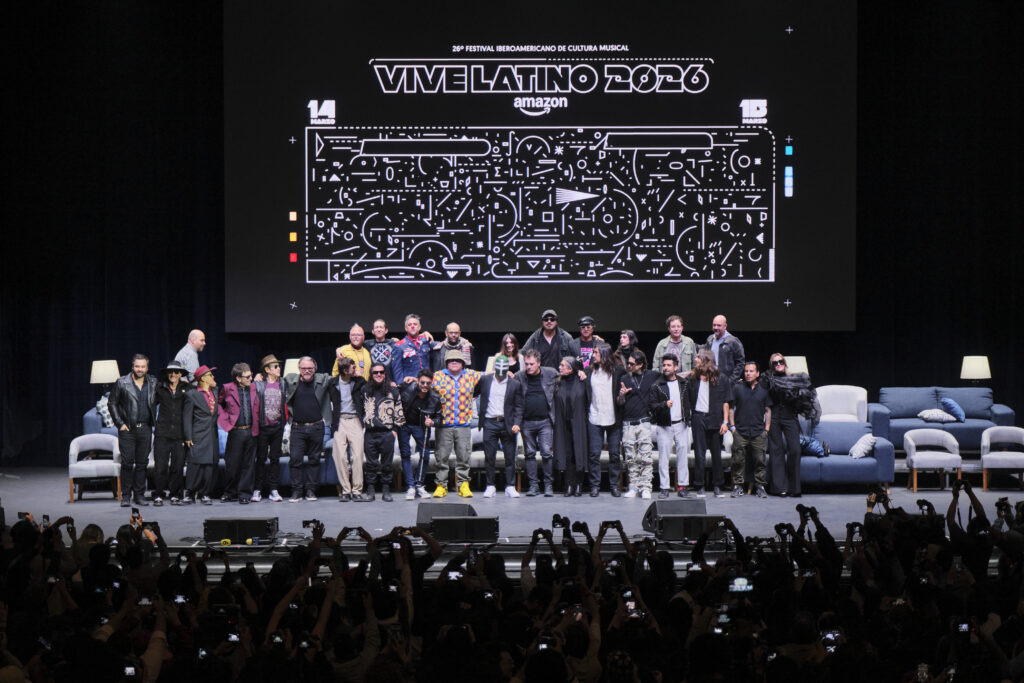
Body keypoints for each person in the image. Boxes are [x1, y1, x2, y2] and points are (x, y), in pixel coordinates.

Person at [763, 353, 818, 497]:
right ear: (772, 366)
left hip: (789, 416)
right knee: (776, 451)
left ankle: (794, 488)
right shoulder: (769, 379)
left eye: (780, 361)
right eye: (775, 363)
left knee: (795, 450)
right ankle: (780, 488)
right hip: (774, 416)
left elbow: (806, 396)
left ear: (784, 363)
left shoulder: (795, 379)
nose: (778, 364)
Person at [431, 350, 482, 497]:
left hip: (463, 424)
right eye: (451, 360)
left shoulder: (471, 375)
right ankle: (441, 486)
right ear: (446, 362)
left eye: (458, 360)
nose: (454, 362)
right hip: (444, 425)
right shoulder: (438, 376)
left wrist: (508, 373)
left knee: (464, 457)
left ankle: (463, 485)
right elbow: (423, 383)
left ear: (462, 363)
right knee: (441, 457)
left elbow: (488, 373)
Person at [281, 356, 333, 502]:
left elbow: (337, 376)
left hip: (317, 427)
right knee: (295, 460)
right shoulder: (291, 381)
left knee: (314, 460)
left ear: (315, 369)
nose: (307, 371)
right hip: (297, 428)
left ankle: (310, 491)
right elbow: (275, 380)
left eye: (310, 368)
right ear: (299, 369)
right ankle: (297, 492)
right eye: (304, 368)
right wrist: (261, 376)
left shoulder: (322, 380)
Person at [108, 354, 157, 507]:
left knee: (142, 464)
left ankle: (140, 495)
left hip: (145, 429)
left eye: (143, 366)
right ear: (132, 367)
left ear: (147, 368)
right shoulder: (122, 382)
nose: (140, 369)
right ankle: (126, 496)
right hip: (128, 430)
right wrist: (120, 424)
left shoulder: (153, 382)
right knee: (127, 464)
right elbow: (112, 403)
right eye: (137, 366)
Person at [510, 349, 559, 496]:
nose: (529, 367)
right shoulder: (519, 376)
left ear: (539, 363)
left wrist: (580, 373)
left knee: (546, 453)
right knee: (530, 454)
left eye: (532, 364)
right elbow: (515, 399)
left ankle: (548, 485)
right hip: (526, 422)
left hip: (545, 421)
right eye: (526, 364)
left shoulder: (550, 373)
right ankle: (533, 486)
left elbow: (565, 376)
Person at [686, 349, 733, 498]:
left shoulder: (721, 378)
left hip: (715, 419)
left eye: (698, 357)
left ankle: (718, 485)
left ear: (706, 359)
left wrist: (725, 422)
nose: (696, 360)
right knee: (699, 454)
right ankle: (699, 485)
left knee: (716, 454)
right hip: (698, 418)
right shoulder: (693, 378)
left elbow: (726, 402)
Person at [359, 363, 405, 502]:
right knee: (371, 464)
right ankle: (371, 490)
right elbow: (360, 409)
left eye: (381, 372)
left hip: (387, 433)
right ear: (371, 375)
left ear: (385, 374)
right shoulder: (365, 390)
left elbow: (399, 411)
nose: (378, 374)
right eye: (375, 372)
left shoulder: (393, 391)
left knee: (387, 464)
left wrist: (395, 431)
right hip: (370, 432)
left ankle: (386, 490)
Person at [617, 349, 659, 499]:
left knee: (646, 457)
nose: (628, 366)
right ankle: (634, 486)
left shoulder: (651, 376)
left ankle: (646, 487)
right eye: (627, 363)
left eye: (631, 364)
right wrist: (622, 395)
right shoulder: (624, 378)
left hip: (644, 422)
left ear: (640, 364)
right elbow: (619, 402)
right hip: (628, 423)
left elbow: (671, 376)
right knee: (631, 458)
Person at [648, 353, 691, 499]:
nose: (665, 368)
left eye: (668, 365)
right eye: (664, 365)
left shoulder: (684, 383)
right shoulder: (657, 385)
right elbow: (652, 406)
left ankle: (682, 486)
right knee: (664, 457)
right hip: (664, 425)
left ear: (676, 367)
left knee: (683, 457)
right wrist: (664, 405)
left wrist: (688, 417)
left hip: (681, 424)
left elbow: (690, 401)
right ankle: (664, 488)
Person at [584, 344, 625, 497]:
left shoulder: (618, 371)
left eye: (595, 352)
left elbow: (622, 396)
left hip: (613, 418)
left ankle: (614, 485)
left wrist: (622, 395)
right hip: (594, 417)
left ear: (604, 354)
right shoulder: (589, 371)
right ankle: (595, 485)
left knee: (614, 454)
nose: (593, 355)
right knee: (594, 454)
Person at [218, 362, 261, 505]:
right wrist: (225, 420)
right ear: (238, 378)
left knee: (248, 464)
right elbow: (218, 404)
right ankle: (230, 492)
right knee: (232, 464)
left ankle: (244, 494)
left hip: (251, 430)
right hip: (236, 431)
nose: (251, 378)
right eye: (247, 376)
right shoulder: (227, 388)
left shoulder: (254, 388)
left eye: (251, 375)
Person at [477, 355, 520, 498]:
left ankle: (510, 485)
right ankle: (490, 485)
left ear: (508, 368)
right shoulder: (485, 380)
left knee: (510, 456)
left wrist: (517, 423)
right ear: (494, 367)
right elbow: (475, 394)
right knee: (489, 456)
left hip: (507, 423)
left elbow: (519, 406)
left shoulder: (514, 384)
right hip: (489, 422)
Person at [729, 361, 771, 499]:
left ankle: (760, 486)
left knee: (760, 460)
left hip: (758, 431)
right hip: (740, 431)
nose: (748, 373)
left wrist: (767, 429)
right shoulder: (737, 388)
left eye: (751, 371)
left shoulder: (764, 390)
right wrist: (733, 427)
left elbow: (768, 410)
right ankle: (738, 486)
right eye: (746, 371)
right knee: (738, 460)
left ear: (757, 373)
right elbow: (730, 408)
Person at [152, 360, 191, 506]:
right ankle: (158, 494)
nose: (173, 374)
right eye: (170, 372)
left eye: (176, 372)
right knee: (160, 466)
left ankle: (175, 494)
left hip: (180, 434)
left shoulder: (187, 388)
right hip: (162, 433)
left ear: (181, 374)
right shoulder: (160, 388)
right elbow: (149, 405)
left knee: (178, 466)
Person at [329, 357, 366, 502]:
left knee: (357, 456)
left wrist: (358, 376)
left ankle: (357, 491)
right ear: (345, 371)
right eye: (353, 368)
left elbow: (368, 386)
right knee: (340, 456)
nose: (355, 370)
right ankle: (346, 490)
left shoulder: (359, 381)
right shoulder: (332, 383)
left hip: (355, 420)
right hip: (339, 421)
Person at [399, 369, 439, 500]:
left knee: (424, 455)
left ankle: (419, 485)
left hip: (421, 427)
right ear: (418, 381)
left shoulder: (434, 397)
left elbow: (440, 417)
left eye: (428, 383)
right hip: (404, 425)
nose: (425, 386)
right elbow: (395, 399)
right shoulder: (407, 388)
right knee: (405, 455)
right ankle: (410, 486)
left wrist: (432, 421)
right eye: (422, 382)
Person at [182, 365, 218, 505]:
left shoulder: (215, 391)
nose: (213, 377)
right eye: (210, 375)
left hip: (211, 434)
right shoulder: (192, 394)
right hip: (198, 434)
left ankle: (205, 493)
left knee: (209, 465)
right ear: (203, 378)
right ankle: (190, 493)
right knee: (195, 464)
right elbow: (187, 417)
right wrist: (188, 436)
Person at [252, 354, 286, 502]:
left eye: (279, 366)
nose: (279, 368)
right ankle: (257, 490)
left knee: (275, 459)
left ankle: (273, 489)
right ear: (267, 370)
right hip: (263, 428)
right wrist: (255, 379)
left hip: (277, 427)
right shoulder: (259, 385)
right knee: (260, 459)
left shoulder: (283, 383)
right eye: (276, 366)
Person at [553, 356, 588, 497]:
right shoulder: (557, 382)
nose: (559, 367)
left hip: (579, 422)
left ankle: (579, 485)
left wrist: (583, 371)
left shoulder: (582, 382)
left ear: (570, 368)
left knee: (578, 454)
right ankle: (568, 485)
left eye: (562, 365)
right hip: (563, 423)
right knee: (567, 454)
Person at [392, 314, 434, 385]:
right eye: (409, 324)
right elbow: (397, 370)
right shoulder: (399, 346)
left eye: (415, 324)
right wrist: (401, 386)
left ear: (419, 327)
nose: (412, 326)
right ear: (406, 328)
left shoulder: (426, 340)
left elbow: (442, 344)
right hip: (410, 385)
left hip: (427, 383)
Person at [702, 315, 744, 384]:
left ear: (725, 326)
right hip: (711, 380)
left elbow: (740, 362)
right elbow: (704, 351)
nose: (715, 327)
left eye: (719, 325)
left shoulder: (733, 341)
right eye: (714, 325)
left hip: (726, 381)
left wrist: (731, 380)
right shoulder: (710, 339)